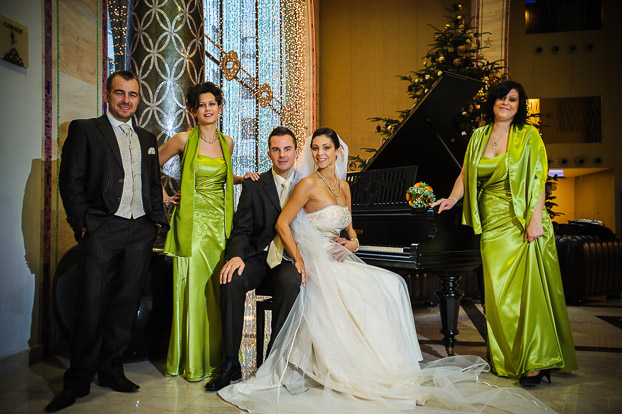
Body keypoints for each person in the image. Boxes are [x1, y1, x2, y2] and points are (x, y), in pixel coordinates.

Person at [218, 127, 551, 413]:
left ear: (337, 152)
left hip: (337, 255)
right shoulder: (306, 184)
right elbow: (283, 223)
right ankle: (348, 369)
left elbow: (351, 232)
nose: (320, 154)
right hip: (314, 257)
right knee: (361, 292)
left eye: (326, 148)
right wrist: (302, 260)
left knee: (393, 285)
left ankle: (392, 369)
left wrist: (352, 245)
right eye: (315, 148)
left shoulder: (345, 187)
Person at [431, 80, 578, 386]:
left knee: (527, 294)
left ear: (519, 105)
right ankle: (508, 358)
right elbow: (465, 174)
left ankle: (536, 361)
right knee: (499, 297)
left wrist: (535, 221)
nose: (506, 103)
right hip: (492, 225)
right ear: (493, 102)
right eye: (501, 98)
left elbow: (538, 179)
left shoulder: (528, 135)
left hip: (522, 220)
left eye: (512, 99)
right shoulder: (479, 136)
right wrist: (453, 199)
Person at [48, 70, 168, 412]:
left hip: (140, 230)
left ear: (139, 99)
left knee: (125, 304)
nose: (126, 100)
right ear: (107, 95)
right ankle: (77, 380)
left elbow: (152, 184)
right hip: (103, 228)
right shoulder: (86, 130)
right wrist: (85, 224)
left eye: (132, 94)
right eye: (119, 93)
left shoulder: (147, 138)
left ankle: (112, 370)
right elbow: (70, 181)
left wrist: (154, 222)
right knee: (91, 305)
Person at [158, 82, 259, 381]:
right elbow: (148, 166)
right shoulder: (182, 139)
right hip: (192, 226)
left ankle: (220, 359)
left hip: (221, 227)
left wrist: (241, 179)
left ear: (220, 107)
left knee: (218, 293)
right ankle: (193, 361)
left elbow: (222, 176)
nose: (208, 109)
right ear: (193, 110)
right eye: (201, 105)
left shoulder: (227, 142)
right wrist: (165, 197)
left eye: (212, 103)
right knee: (195, 292)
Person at [203, 126, 303, 391]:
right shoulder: (254, 184)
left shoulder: (307, 184)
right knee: (229, 278)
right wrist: (235, 256)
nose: (282, 155)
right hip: (258, 257)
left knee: (291, 281)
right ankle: (230, 362)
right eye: (276, 150)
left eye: (287, 149)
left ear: (296, 152)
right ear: (269, 153)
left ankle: (274, 358)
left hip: (287, 260)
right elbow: (242, 229)